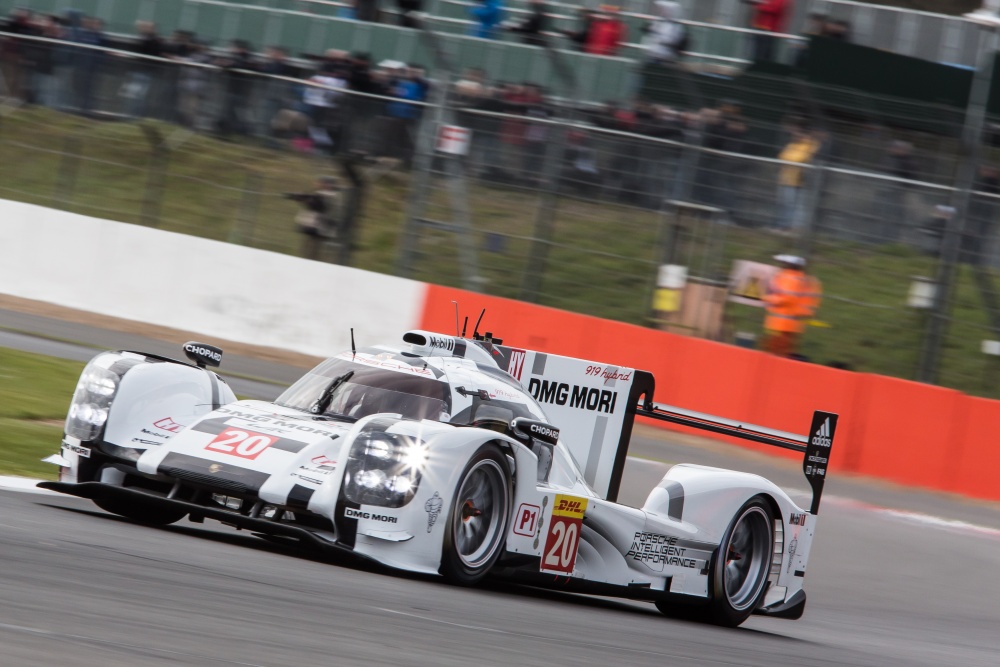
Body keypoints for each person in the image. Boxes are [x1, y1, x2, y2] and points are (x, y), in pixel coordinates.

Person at [763, 254, 822, 358]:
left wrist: (768, 298)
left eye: (783, 263)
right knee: (785, 351)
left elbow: (787, 298)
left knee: (775, 353)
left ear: (789, 265)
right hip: (793, 323)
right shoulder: (804, 279)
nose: (781, 266)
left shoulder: (790, 278)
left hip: (782, 323)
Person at [285, 176, 342, 261]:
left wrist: (307, 201)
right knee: (306, 251)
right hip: (315, 228)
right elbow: (314, 206)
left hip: (321, 229)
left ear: (328, 185)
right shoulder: (321, 194)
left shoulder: (330, 196)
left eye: (320, 182)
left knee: (312, 254)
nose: (317, 184)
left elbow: (320, 207)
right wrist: (302, 199)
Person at [775, 125, 820, 233]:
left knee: (794, 205)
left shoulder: (811, 146)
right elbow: (782, 156)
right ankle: (783, 225)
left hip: (798, 180)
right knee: (784, 203)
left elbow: (798, 159)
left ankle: (790, 227)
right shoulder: (792, 145)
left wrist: (789, 158)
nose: (796, 136)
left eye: (799, 134)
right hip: (785, 178)